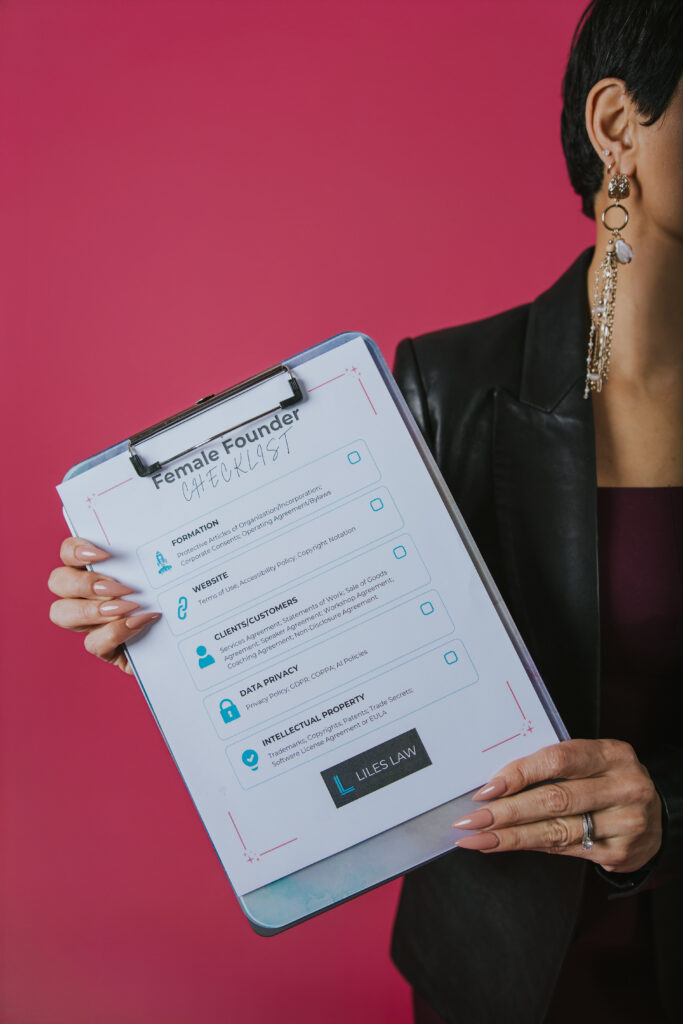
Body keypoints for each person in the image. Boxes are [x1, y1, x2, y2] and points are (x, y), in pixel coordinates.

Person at [47, 1, 681, 1020]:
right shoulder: (446, 385)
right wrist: (168, 630)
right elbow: (342, 643)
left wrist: (666, 816)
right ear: (618, 127)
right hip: (501, 972)